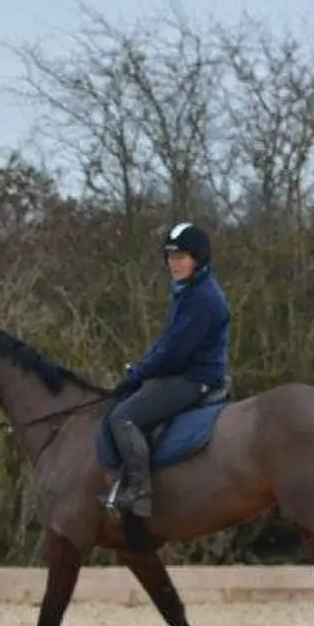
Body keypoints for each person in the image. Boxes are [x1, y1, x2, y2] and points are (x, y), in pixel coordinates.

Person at [106, 221, 232, 517]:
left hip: (193, 379)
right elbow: (167, 345)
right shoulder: (189, 291)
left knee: (123, 416)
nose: (173, 264)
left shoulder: (201, 298)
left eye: (181, 257)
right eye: (170, 258)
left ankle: (139, 491)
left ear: (198, 259)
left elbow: (173, 354)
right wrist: (141, 369)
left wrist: (137, 376)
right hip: (185, 373)